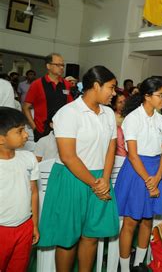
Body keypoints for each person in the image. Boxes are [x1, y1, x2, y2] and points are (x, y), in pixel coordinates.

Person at [38, 66, 120, 271]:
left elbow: (111, 147)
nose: (114, 93)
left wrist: (105, 178)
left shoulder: (108, 113)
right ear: (96, 86)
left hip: (100, 177)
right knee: (68, 238)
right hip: (72, 177)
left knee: (91, 234)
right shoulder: (68, 113)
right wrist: (95, 184)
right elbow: (68, 156)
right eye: (111, 87)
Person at [114, 76, 162, 272]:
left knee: (148, 220)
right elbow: (133, 154)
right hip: (137, 172)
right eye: (160, 95)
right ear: (147, 96)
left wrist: (158, 177)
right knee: (131, 221)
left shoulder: (161, 119)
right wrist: (149, 181)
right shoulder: (133, 119)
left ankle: (139, 263)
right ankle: (124, 266)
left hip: (156, 170)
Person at [0, 107, 40, 271]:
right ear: (1, 138)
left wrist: (34, 224)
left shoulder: (28, 158)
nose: (26, 135)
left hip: (24, 227)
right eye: (20, 131)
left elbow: (34, 192)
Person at [23, 53, 73, 141]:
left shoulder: (67, 84)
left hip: (62, 130)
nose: (61, 67)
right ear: (48, 66)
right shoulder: (37, 84)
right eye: (58, 65)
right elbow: (25, 107)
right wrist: (34, 127)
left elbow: (70, 107)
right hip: (42, 131)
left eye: (62, 65)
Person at [111, 91, 127, 157]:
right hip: (117, 155)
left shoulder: (129, 116)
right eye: (120, 102)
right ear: (114, 105)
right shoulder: (111, 118)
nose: (124, 104)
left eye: (125, 101)